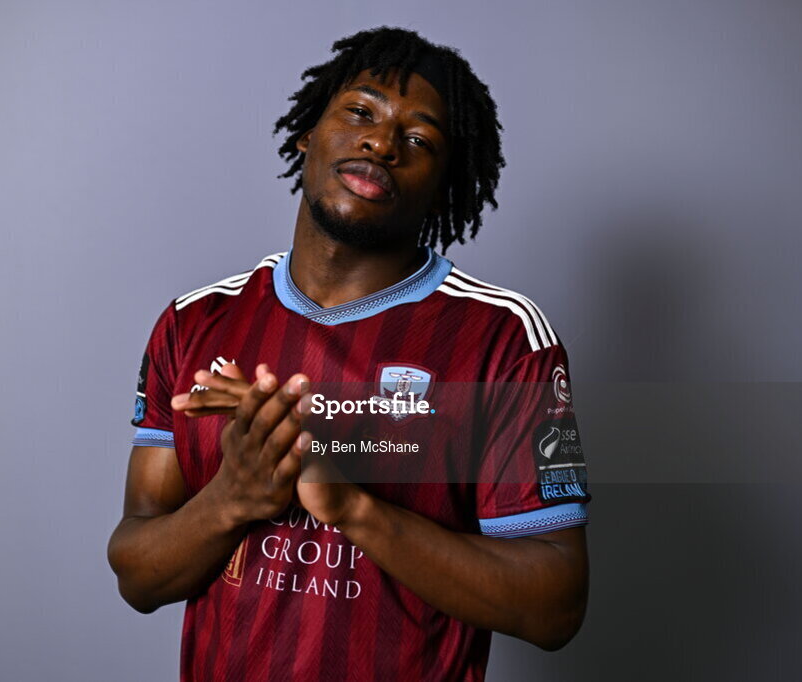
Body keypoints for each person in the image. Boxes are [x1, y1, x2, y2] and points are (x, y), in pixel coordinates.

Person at [108, 26, 591, 681]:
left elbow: (555, 607)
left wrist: (353, 507)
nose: (382, 142)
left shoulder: (503, 338)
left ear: (443, 182)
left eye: (419, 139)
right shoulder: (195, 322)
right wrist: (235, 495)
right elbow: (138, 574)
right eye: (360, 112)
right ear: (309, 131)